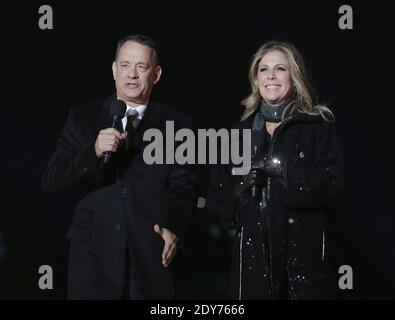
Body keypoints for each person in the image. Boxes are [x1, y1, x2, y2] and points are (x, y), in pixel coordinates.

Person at [42, 35, 197, 299]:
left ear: (156, 74)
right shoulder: (82, 118)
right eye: (125, 65)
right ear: (114, 69)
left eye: (141, 66)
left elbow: (184, 189)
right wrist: (91, 152)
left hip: (149, 259)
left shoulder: (178, 126)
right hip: (92, 260)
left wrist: (174, 228)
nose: (132, 75)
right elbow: (51, 181)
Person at [207, 41, 344, 300]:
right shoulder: (236, 135)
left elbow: (333, 185)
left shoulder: (318, 127)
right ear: (255, 79)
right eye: (264, 70)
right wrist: (243, 189)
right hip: (252, 261)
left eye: (280, 69)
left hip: (304, 260)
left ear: (294, 76)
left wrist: (282, 174)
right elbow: (217, 197)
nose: (270, 76)